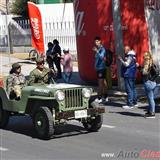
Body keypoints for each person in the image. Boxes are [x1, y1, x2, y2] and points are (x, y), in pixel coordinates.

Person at [139, 51, 157, 118]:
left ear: (149, 57)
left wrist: (151, 80)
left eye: (146, 56)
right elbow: (143, 73)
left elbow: (156, 73)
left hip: (149, 83)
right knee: (149, 98)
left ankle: (152, 113)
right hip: (147, 83)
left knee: (151, 98)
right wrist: (139, 68)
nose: (144, 58)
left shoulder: (151, 64)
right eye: (144, 56)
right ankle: (150, 111)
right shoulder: (145, 64)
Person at [93, 36, 108, 103]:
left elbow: (102, 57)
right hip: (100, 68)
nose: (96, 43)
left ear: (100, 41)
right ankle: (105, 96)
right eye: (95, 41)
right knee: (104, 82)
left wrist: (97, 51)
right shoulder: (99, 49)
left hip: (101, 68)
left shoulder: (102, 49)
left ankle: (100, 97)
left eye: (97, 41)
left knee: (100, 83)